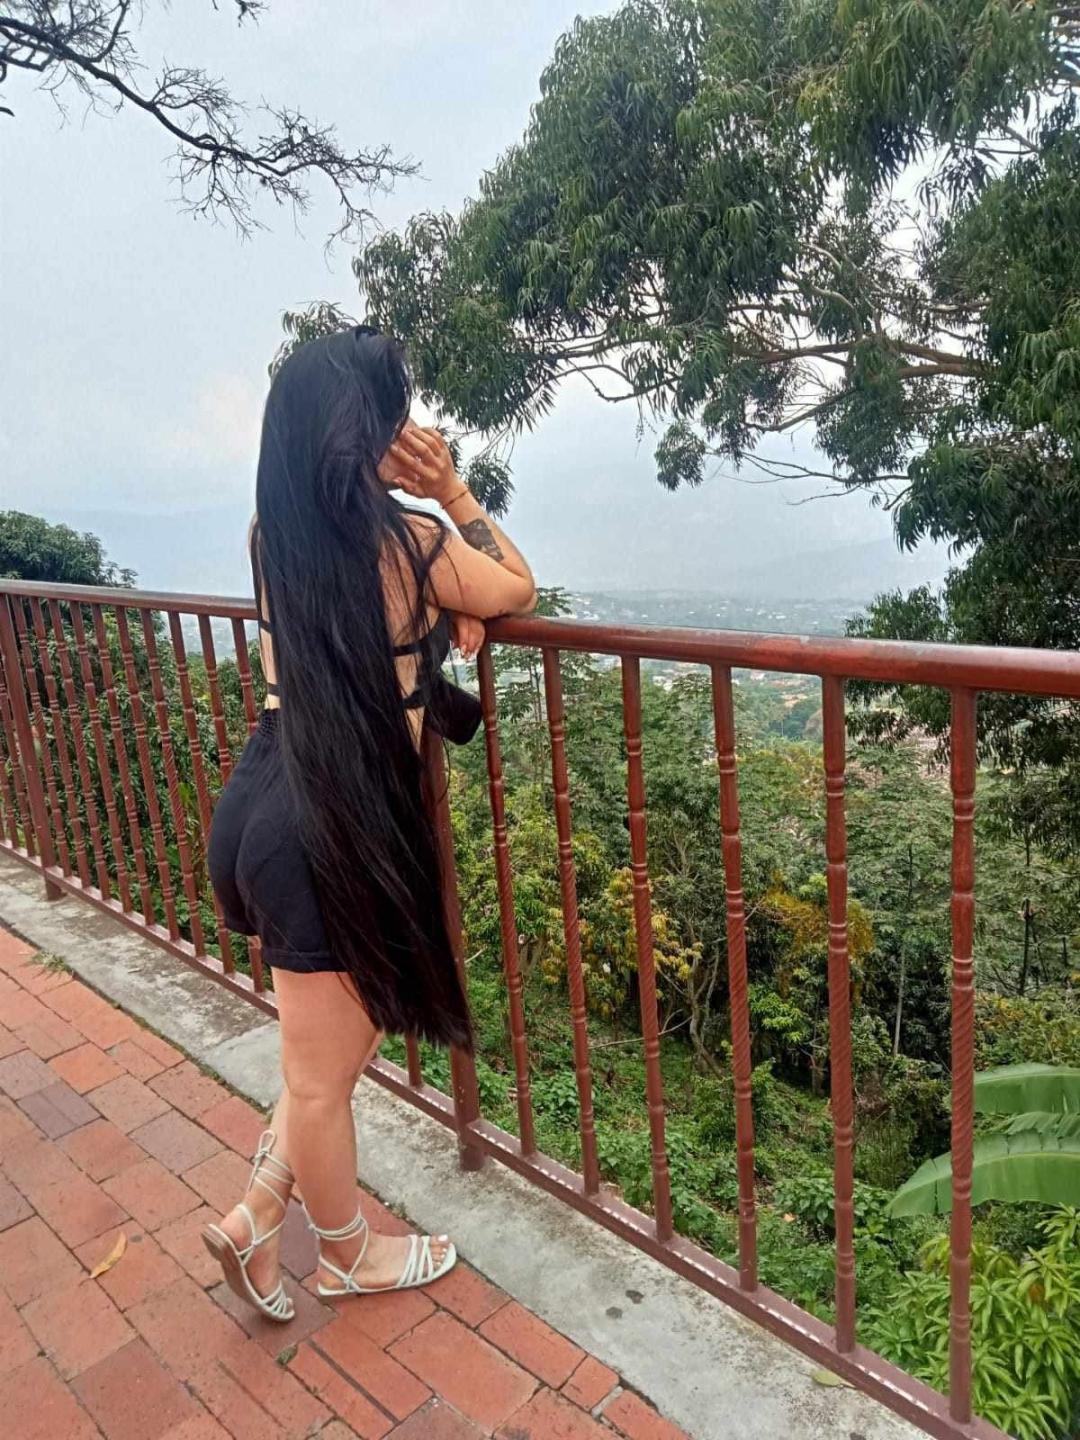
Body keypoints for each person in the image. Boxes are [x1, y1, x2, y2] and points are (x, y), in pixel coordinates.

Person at [204, 328, 537, 1319]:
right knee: (318, 1080)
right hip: (329, 821)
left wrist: (439, 612)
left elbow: (362, 618)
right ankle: (347, 1255)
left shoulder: (273, 536)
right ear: (366, 434)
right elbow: (516, 585)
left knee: (343, 1041)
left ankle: (259, 1214)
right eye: (394, 416)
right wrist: (454, 499)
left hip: (269, 791)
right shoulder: (412, 543)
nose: (405, 429)